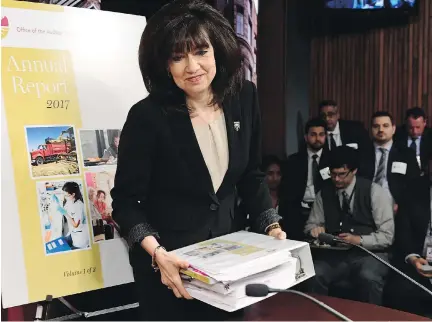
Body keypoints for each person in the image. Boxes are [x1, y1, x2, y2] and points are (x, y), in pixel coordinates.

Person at [110, 1, 286, 320]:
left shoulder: (244, 97)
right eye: (178, 57)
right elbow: (125, 202)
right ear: (164, 65)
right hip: (170, 272)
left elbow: (251, 175)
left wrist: (271, 226)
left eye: (201, 52)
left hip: (228, 268)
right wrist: (157, 254)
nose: (193, 66)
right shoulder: (147, 117)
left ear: (217, 50)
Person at [304, 146, 394, 305]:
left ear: (354, 171)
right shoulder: (323, 194)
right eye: (333, 174)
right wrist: (315, 230)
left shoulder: (375, 192)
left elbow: (387, 236)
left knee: (368, 277)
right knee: (315, 274)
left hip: (369, 254)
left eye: (341, 174)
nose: (336, 179)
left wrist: (358, 240)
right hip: (335, 257)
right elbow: (310, 225)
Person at [279, 118, 331, 241]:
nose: (317, 138)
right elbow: (286, 191)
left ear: (326, 136)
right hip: (298, 211)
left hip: (323, 212)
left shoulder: (332, 160)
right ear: (306, 137)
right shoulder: (293, 161)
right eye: (313, 134)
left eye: (321, 135)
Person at [360, 111, 420, 213]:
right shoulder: (361, 153)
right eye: (376, 126)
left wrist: (401, 205)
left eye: (385, 126)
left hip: (396, 207)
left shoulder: (406, 153)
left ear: (393, 129)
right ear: (371, 130)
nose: (381, 130)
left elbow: (414, 184)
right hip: (366, 206)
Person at [62, 182, 90, 250]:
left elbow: (76, 225)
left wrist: (65, 213)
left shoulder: (78, 206)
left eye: (66, 195)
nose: (65, 197)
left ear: (73, 194)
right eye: (64, 195)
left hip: (80, 238)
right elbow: (67, 206)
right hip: (73, 233)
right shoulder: (70, 200)